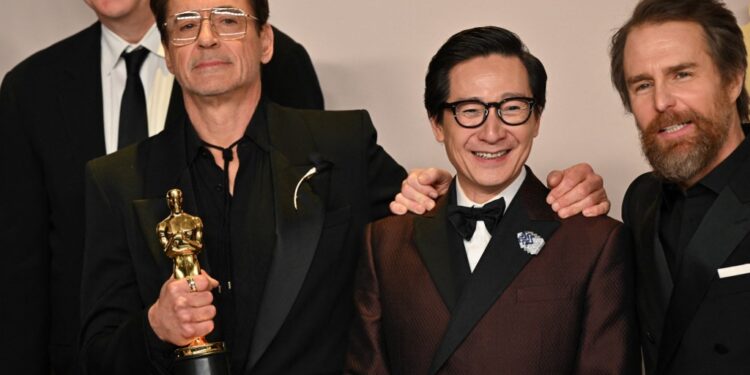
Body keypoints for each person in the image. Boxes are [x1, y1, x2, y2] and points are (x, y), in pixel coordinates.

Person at [78, 0, 612, 374]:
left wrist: (563, 195)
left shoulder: (343, 145)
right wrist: (155, 326)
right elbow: (96, 351)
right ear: (167, 51)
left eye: (229, 19)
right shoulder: (115, 180)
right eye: (186, 23)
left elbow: (440, 212)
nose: (209, 37)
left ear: (265, 41)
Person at [0, 1, 323, 374]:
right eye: (186, 29)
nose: (207, 39)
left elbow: (312, 222)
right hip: (92, 358)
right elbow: (20, 261)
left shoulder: (258, 55)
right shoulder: (31, 86)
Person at [346, 26, 639, 375]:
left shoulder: (594, 241)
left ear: (536, 118)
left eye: (512, 108)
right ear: (437, 124)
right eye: (470, 110)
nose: (492, 132)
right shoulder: (384, 242)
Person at [610, 0, 750, 373]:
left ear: (733, 78)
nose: (661, 102)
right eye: (642, 84)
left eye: (682, 75)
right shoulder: (640, 200)